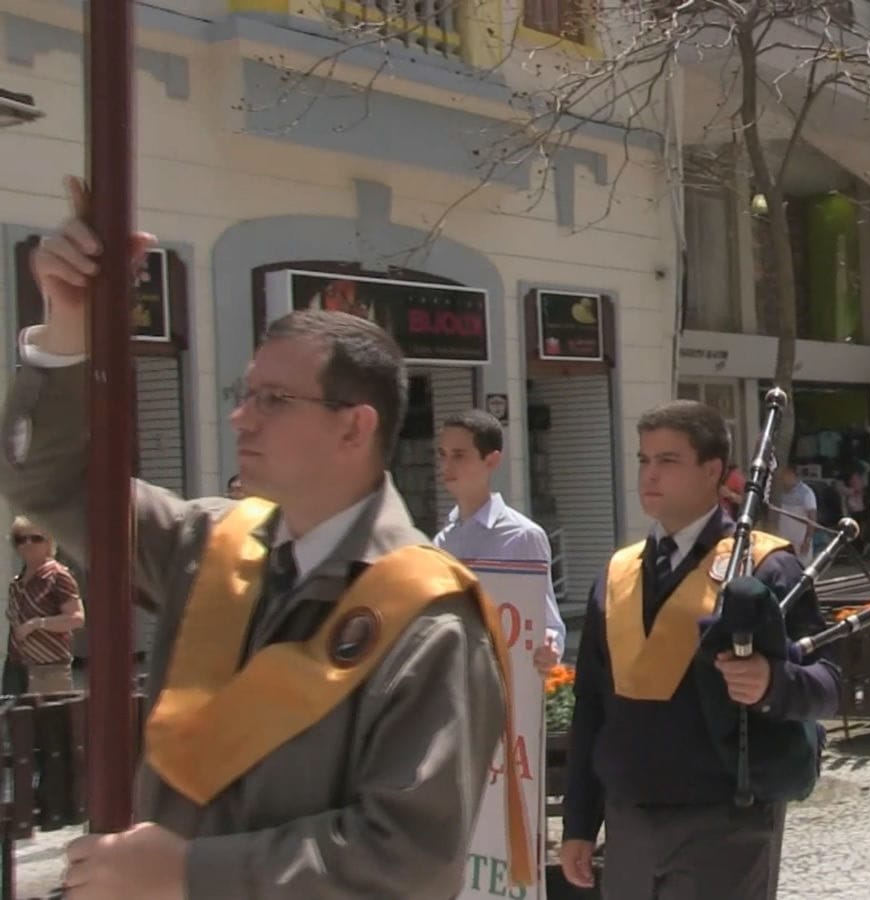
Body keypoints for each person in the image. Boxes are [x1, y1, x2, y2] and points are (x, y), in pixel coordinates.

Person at [4, 184, 523, 899]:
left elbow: (407, 859)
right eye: (244, 395)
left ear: (355, 427)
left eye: (274, 401)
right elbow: (49, 482)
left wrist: (189, 873)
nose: (242, 419)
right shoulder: (207, 541)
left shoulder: (430, 622)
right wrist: (68, 325)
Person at [559, 400, 840, 899]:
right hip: (630, 822)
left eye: (668, 461)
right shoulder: (616, 573)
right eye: (644, 460)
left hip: (725, 821)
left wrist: (773, 682)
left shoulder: (766, 566)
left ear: (713, 471)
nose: (650, 475)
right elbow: (592, 708)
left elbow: (830, 683)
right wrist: (580, 823)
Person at [434, 408, 565, 672]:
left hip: (508, 685)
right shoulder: (441, 541)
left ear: (491, 461)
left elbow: (548, 622)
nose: (447, 467)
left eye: (459, 455)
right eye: (443, 455)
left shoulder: (523, 536)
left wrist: (549, 647)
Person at [5, 517, 84, 695]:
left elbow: (77, 618)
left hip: (49, 670)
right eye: (21, 539)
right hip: (16, 667)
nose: (28, 544)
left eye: (35, 538)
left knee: (49, 722)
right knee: (15, 721)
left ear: (48, 542)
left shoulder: (58, 576)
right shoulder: (17, 583)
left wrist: (36, 624)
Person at [772, 464, 818, 564]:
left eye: (785, 475)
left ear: (793, 475)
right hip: (785, 540)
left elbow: (812, 518)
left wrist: (807, 540)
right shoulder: (781, 493)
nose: (783, 479)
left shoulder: (806, 493)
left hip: (800, 542)